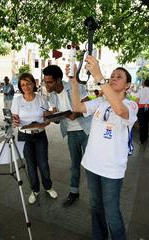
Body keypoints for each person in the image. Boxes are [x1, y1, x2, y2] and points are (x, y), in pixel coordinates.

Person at [66, 56, 138, 240]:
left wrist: (100, 78)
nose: (113, 77)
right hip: (92, 164)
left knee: (112, 211)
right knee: (95, 206)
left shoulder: (131, 105)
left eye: (119, 76)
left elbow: (120, 111)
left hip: (111, 169)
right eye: (112, 75)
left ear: (128, 85)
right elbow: (76, 106)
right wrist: (74, 83)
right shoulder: (100, 102)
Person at [42, 65, 92, 207]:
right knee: (74, 164)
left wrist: (77, 113)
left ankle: (95, 195)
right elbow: (58, 120)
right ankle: (74, 192)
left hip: (86, 130)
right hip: (71, 133)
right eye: (45, 81)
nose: (47, 85)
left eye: (49, 82)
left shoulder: (75, 87)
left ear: (58, 80)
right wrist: (50, 116)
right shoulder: (51, 96)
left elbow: (89, 106)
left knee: (91, 164)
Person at [11, 73, 58, 204]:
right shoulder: (17, 100)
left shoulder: (41, 99)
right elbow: (14, 119)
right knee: (30, 165)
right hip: (24, 135)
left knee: (43, 164)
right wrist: (14, 122)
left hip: (40, 134)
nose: (26, 87)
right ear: (20, 87)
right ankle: (35, 190)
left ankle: (48, 187)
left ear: (33, 83)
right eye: (23, 85)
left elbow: (46, 118)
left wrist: (46, 121)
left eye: (28, 83)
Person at [136, 78, 149, 144]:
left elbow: (137, 100)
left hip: (141, 108)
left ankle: (142, 140)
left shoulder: (141, 90)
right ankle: (146, 137)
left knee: (142, 125)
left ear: (144, 84)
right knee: (146, 123)